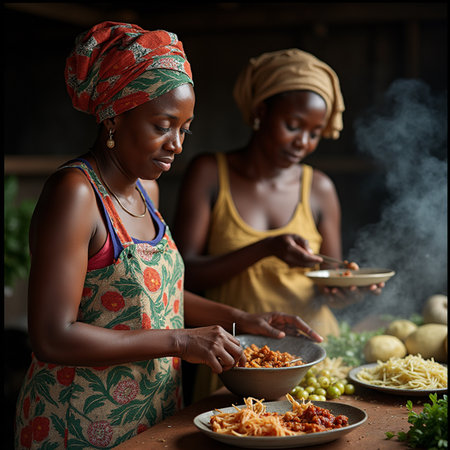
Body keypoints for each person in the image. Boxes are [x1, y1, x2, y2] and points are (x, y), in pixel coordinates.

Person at [14, 24, 322, 449]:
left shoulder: (146, 188)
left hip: (152, 414)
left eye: (184, 129)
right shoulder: (76, 194)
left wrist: (243, 320)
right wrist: (181, 341)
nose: (176, 144)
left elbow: (157, 297)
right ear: (113, 116)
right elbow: (52, 336)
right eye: (163, 125)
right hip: (80, 424)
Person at [173, 48, 384, 399]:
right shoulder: (210, 173)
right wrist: (266, 248)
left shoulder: (319, 188)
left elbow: (327, 283)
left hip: (315, 358)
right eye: (294, 125)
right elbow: (182, 276)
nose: (303, 142)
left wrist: (345, 292)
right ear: (261, 112)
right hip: (239, 357)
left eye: (315, 132)